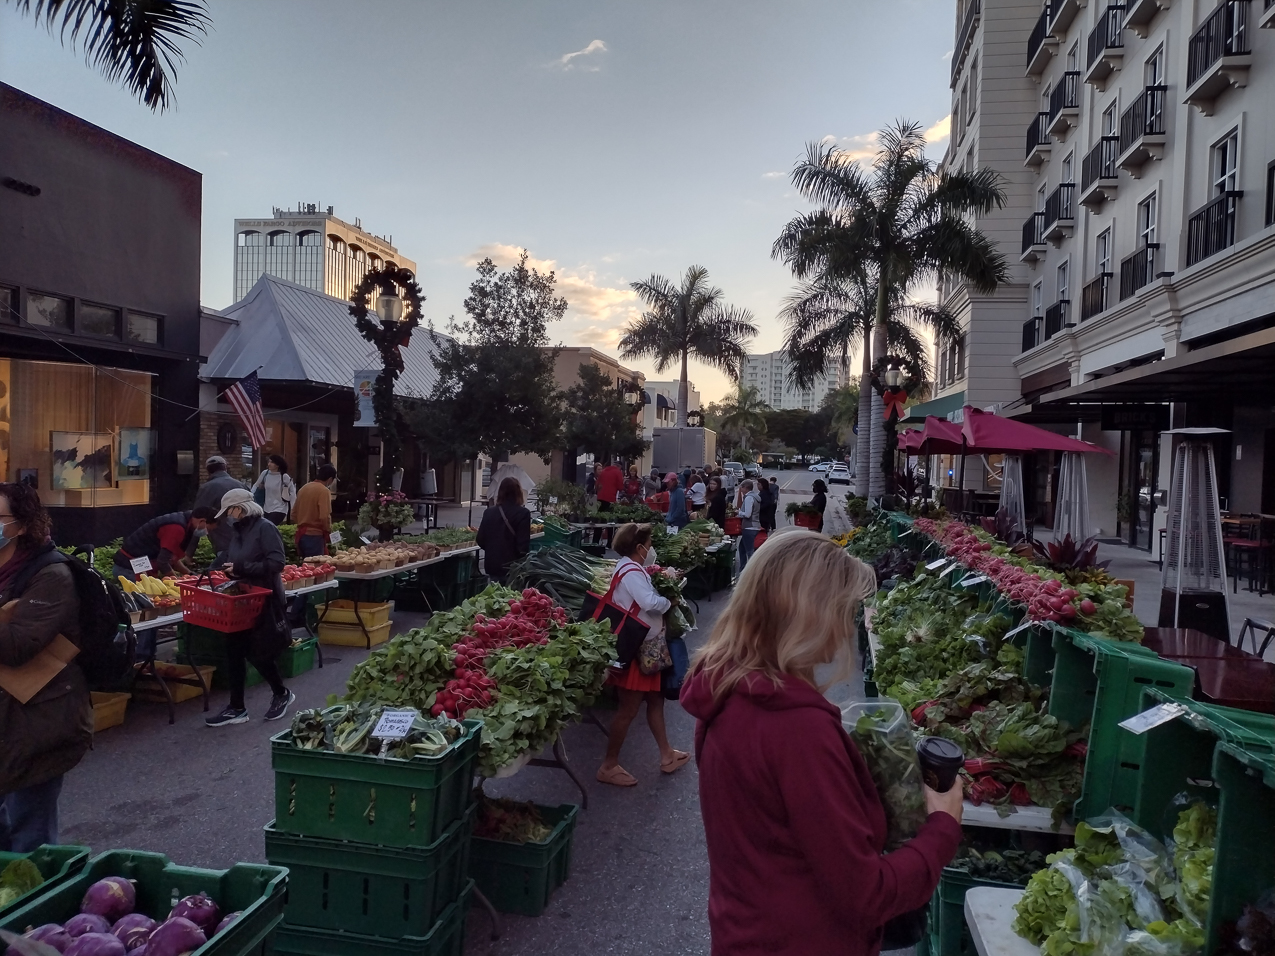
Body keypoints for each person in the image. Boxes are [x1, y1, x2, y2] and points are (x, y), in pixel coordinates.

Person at [680, 531, 963, 955]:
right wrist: (943, 827)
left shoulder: (726, 692)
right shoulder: (798, 731)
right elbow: (866, 895)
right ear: (811, 615)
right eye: (843, 610)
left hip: (743, 932)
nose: (845, 626)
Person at [0, 483, 90, 851]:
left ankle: (36, 904)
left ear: (21, 525)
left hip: (37, 725)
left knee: (30, 836)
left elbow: (18, 647)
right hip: (5, 721)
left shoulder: (52, 575)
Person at [596, 523, 690, 786]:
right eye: (649, 545)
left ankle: (667, 754)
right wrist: (667, 601)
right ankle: (608, 765)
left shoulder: (629, 568)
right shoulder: (631, 572)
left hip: (648, 648)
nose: (651, 549)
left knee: (656, 701)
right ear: (638, 548)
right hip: (638, 650)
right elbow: (649, 603)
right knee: (628, 710)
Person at [205, 489, 295, 727]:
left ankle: (281, 693)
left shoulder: (265, 528)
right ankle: (236, 707)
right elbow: (237, 560)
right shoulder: (239, 531)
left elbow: (277, 562)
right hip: (242, 598)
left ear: (241, 508)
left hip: (264, 598)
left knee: (259, 652)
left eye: (230, 511)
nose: (228, 517)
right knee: (234, 650)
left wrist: (242, 567)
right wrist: (226, 568)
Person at [287, 463, 337, 626]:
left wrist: (304, 521)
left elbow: (293, 514)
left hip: (302, 535)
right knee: (312, 577)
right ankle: (298, 614)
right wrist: (328, 529)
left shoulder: (304, 488)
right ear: (330, 479)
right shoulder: (324, 491)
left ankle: (298, 613)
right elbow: (324, 516)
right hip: (314, 536)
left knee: (303, 573)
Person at [113, 509, 210, 582]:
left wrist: (191, 574)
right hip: (129, 568)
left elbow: (171, 558)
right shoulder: (176, 528)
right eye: (208, 528)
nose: (207, 532)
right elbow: (162, 561)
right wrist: (177, 582)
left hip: (142, 568)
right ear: (202, 521)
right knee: (145, 603)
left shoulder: (185, 524)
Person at [475, 477, 532, 585]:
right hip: (512, 567)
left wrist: (493, 549)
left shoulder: (489, 512)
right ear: (518, 493)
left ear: (500, 492)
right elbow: (523, 546)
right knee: (511, 598)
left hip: (492, 565)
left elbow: (480, 539)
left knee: (494, 597)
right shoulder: (523, 513)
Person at [193, 456, 247, 556]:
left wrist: (189, 552)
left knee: (226, 568)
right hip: (246, 539)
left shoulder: (207, 488)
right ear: (225, 468)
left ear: (208, 470)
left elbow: (197, 519)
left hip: (223, 541)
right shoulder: (241, 485)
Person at [252, 455, 297, 526]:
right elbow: (256, 485)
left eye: (272, 462)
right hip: (266, 508)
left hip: (280, 508)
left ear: (278, 465)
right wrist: (251, 495)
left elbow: (292, 492)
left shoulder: (284, 476)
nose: (269, 464)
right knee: (267, 527)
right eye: (269, 462)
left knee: (269, 526)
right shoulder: (265, 473)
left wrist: (292, 508)